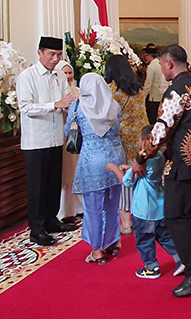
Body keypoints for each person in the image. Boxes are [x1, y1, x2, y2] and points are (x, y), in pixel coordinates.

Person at [133, 44, 191, 297]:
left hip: (186, 164)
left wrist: (141, 156)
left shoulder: (176, 90)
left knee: (174, 215)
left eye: (162, 64)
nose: (162, 69)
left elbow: (161, 128)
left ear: (169, 63)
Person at [16, 36, 78, 246]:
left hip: (56, 138)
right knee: (37, 186)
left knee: (53, 182)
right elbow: (25, 108)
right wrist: (55, 104)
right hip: (36, 140)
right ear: (40, 53)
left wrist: (71, 105)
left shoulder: (59, 75)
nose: (55, 59)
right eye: (51, 54)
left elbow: (66, 101)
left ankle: (52, 220)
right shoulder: (27, 77)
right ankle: (37, 228)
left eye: (59, 55)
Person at [107, 126, 183, 279]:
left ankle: (151, 267)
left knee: (144, 241)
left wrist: (115, 169)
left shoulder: (142, 160)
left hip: (143, 211)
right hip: (159, 208)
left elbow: (127, 181)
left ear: (143, 142)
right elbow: (147, 172)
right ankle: (181, 258)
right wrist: (131, 168)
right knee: (164, 236)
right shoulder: (159, 157)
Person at [65, 73, 125, 264]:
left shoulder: (78, 106)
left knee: (93, 207)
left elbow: (68, 130)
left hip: (92, 159)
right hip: (115, 157)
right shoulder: (114, 105)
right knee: (112, 203)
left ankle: (97, 249)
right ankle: (113, 241)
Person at [103, 54, 149, 237]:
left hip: (122, 138)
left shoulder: (111, 90)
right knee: (140, 174)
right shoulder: (138, 87)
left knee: (124, 177)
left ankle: (126, 223)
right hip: (141, 136)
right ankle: (143, 216)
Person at [56, 61, 83, 223]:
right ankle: (65, 211)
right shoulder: (56, 92)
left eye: (70, 72)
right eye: (64, 73)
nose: (68, 76)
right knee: (65, 173)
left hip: (77, 136)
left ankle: (78, 207)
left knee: (76, 171)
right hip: (62, 136)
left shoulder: (78, 91)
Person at [142, 44, 165, 123]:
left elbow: (148, 83)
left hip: (154, 97)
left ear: (149, 56)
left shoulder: (151, 66)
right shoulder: (160, 63)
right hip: (162, 95)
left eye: (146, 56)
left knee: (153, 119)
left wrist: (143, 95)